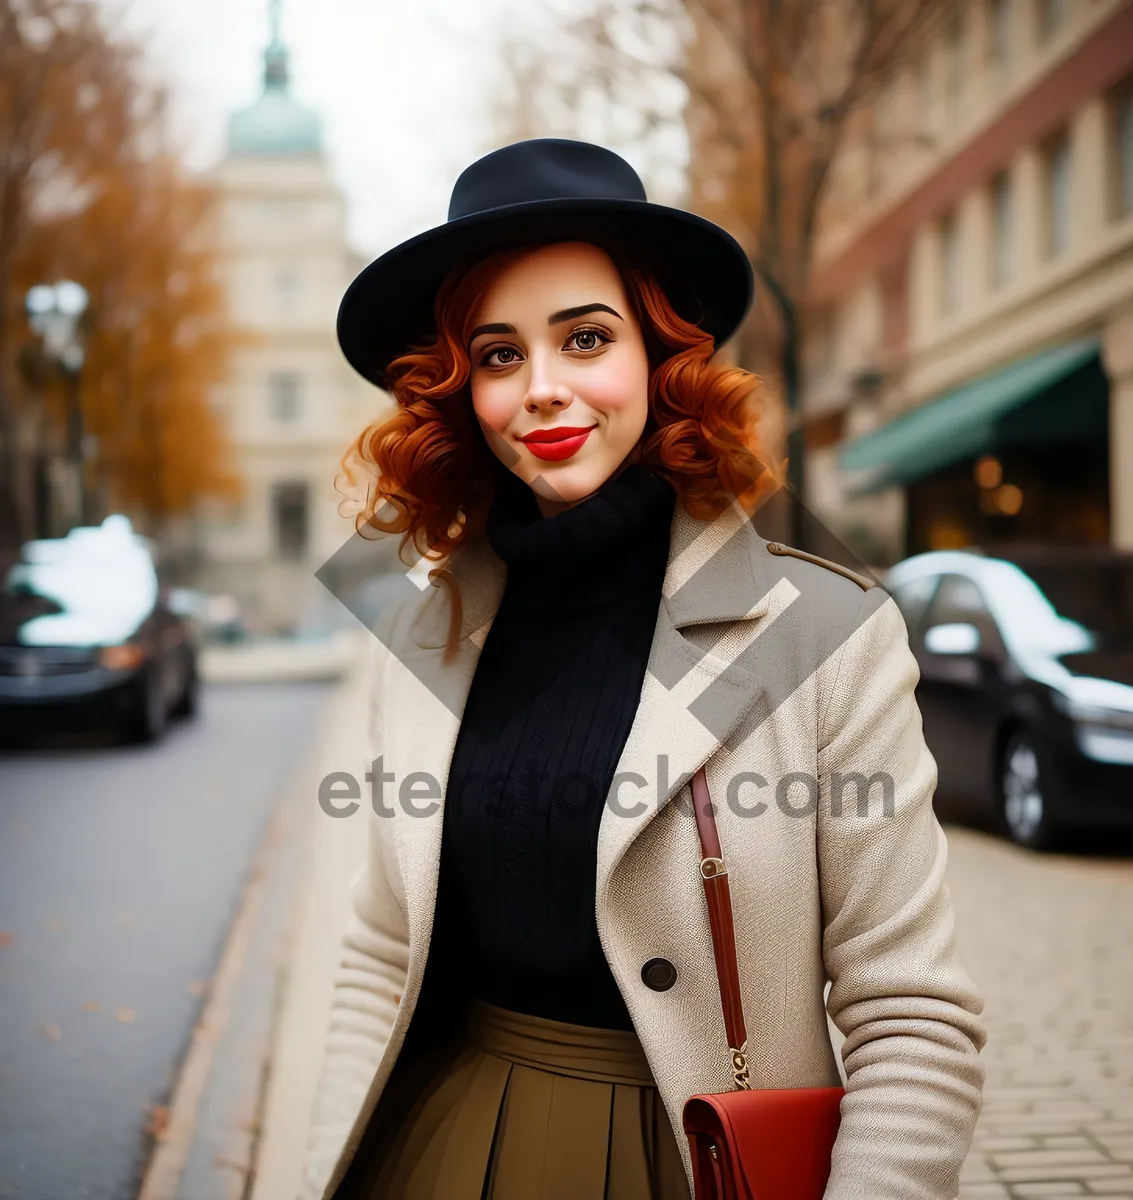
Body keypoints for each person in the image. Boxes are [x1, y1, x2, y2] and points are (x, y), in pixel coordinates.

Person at [301, 138, 986, 1200]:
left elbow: (912, 1017)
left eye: (585, 338)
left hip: (698, 1162)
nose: (542, 390)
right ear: (458, 393)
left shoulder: (824, 633)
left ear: (663, 360)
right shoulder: (428, 633)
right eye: (497, 354)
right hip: (436, 1147)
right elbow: (377, 955)